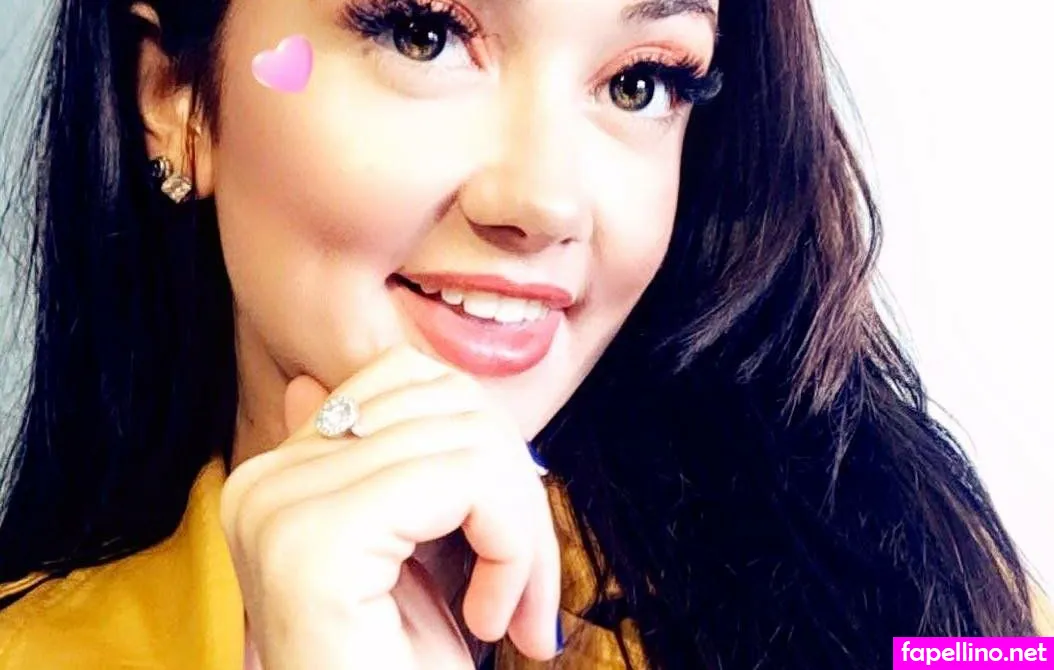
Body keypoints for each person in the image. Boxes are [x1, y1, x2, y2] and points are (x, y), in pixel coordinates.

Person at [0, 0, 1048, 667]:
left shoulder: (934, 605)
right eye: (422, 33)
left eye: (641, 82)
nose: (545, 201)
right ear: (177, 91)